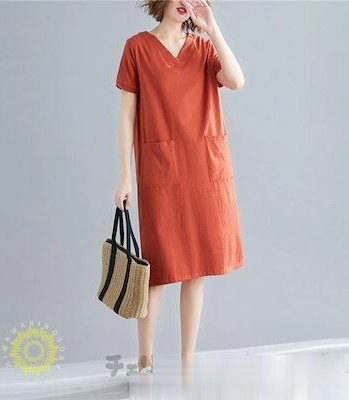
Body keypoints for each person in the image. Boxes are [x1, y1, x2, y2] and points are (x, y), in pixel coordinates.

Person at [113, 0, 245, 374]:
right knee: (157, 269)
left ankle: (188, 363)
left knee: (196, 268)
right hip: (160, 169)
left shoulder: (203, 49)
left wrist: (212, 28)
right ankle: (145, 361)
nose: (187, 2)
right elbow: (126, 117)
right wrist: (125, 175)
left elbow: (236, 81)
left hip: (204, 167)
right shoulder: (137, 47)